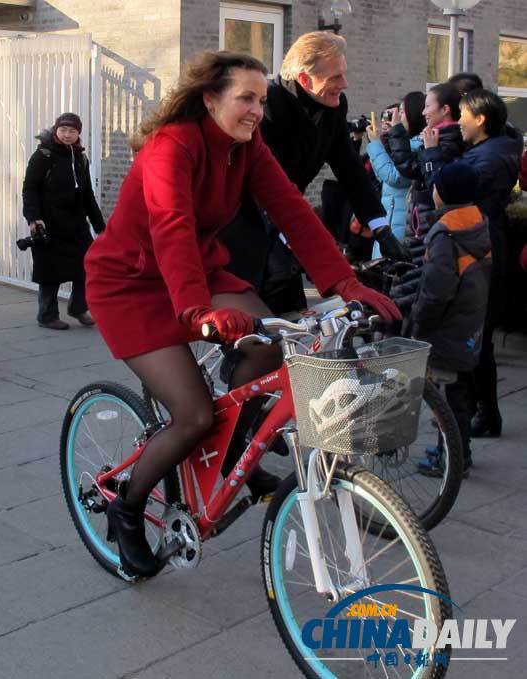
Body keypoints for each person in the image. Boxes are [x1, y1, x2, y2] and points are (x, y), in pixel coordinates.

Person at [84, 52, 400, 578]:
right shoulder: (172, 146)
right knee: (193, 415)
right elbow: (171, 225)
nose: (257, 110)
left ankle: (232, 454)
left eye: (262, 99)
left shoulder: (246, 147)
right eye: (245, 98)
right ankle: (129, 507)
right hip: (131, 285)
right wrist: (196, 310)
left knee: (271, 347)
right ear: (210, 99)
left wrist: (344, 282)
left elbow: (292, 209)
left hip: (198, 272)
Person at [218, 32, 407, 314]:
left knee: (296, 320)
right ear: (305, 80)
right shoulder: (267, 108)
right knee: (257, 317)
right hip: (246, 222)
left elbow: (350, 169)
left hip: (288, 218)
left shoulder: (334, 106)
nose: (345, 83)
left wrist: (380, 227)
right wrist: (298, 242)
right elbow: (269, 188)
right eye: (335, 77)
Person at [420, 90, 521, 438]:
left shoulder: (488, 158)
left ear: (480, 119)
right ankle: (480, 414)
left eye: (462, 115)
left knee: (474, 336)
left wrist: (433, 155)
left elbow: (445, 190)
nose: (458, 123)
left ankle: (479, 417)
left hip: (478, 248)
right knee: (477, 335)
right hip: (484, 244)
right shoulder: (495, 149)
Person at [411, 163, 491, 478]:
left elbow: (435, 292)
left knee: (445, 399)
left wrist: (419, 324)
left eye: (435, 186)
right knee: (457, 395)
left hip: (445, 328)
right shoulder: (477, 223)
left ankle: (453, 459)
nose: (432, 191)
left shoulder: (445, 235)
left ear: (444, 194)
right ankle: (456, 451)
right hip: (468, 321)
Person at [22, 112, 105, 330]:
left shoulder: (80, 158)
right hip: (50, 223)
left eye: (72, 131)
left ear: (78, 133)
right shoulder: (43, 156)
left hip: (76, 224)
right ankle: (47, 315)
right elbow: (29, 189)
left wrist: (100, 227)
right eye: (63, 130)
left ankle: (78, 308)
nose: (67, 134)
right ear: (56, 130)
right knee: (50, 272)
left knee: (87, 265)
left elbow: (87, 195)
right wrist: (34, 219)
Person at [385, 83, 465, 237]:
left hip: (430, 219)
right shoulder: (436, 135)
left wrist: (396, 131)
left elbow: (410, 167)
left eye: (427, 106)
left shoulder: (449, 139)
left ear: (445, 109)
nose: (423, 112)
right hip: (422, 217)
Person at [365, 92, 426, 253]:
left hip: (401, 224)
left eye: (402, 112)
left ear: (414, 115)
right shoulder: (403, 144)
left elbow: (395, 177)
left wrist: (376, 144)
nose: (397, 116)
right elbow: (382, 176)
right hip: (391, 219)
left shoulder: (417, 145)